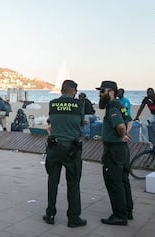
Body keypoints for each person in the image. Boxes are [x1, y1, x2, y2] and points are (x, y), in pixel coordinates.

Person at [43, 79, 87, 228]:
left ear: (62, 90)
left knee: (52, 181)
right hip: (72, 149)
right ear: (73, 91)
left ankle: (50, 214)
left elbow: (51, 121)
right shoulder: (79, 105)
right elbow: (81, 123)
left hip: (54, 148)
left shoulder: (53, 103)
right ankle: (73, 218)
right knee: (73, 183)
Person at [96, 80, 133, 226]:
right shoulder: (121, 105)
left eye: (102, 91)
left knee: (113, 181)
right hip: (122, 149)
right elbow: (129, 120)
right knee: (124, 180)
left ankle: (119, 215)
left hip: (114, 149)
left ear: (111, 92)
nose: (100, 94)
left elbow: (120, 125)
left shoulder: (112, 107)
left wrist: (122, 134)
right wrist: (125, 135)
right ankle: (127, 211)